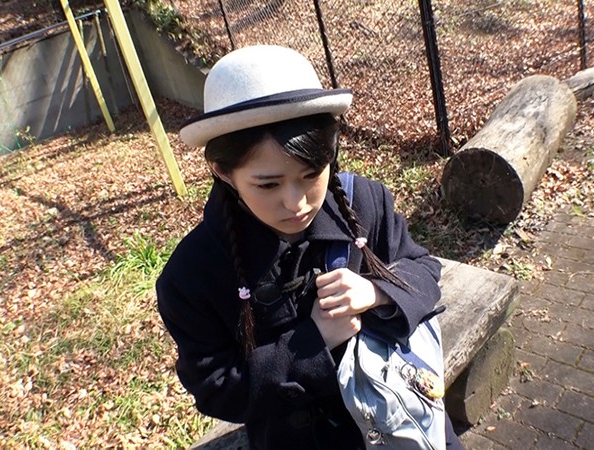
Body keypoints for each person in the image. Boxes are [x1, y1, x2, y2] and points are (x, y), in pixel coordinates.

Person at [156, 44, 464, 449]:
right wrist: (310, 344)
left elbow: (422, 269)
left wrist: (377, 292)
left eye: (311, 174)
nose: (296, 203)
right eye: (268, 184)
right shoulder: (192, 274)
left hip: (407, 421)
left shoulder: (364, 202)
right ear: (223, 172)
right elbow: (215, 388)